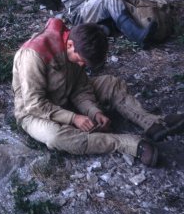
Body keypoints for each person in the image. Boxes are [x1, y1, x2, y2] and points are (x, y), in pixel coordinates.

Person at [12, 18, 184, 167]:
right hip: (34, 113)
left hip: (65, 97)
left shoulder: (75, 44)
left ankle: (152, 123)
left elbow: (79, 88)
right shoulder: (33, 55)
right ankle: (126, 143)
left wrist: (94, 112)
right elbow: (34, 104)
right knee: (55, 137)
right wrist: (73, 118)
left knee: (110, 83)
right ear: (70, 45)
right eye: (81, 61)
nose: (81, 66)